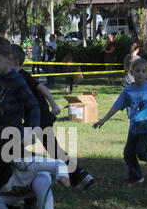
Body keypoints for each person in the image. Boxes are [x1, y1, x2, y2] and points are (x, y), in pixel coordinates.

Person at [10, 44, 94, 200]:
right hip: (38, 119)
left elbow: (42, 88)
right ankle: (80, 175)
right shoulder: (18, 77)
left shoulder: (22, 76)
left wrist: (54, 105)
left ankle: (28, 183)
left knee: (17, 148)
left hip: (38, 119)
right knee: (52, 149)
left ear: (14, 62)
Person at [93, 58, 147, 187]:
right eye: (137, 71)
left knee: (140, 151)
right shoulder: (128, 90)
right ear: (132, 73)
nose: (140, 74)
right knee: (128, 153)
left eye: (143, 71)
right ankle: (136, 177)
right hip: (134, 128)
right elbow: (117, 106)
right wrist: (103, 120)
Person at [0, 36, 40, 138]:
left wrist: (33, 130)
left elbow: (33, 106)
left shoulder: (17, 80)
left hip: (13, 134)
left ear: (9, 58)